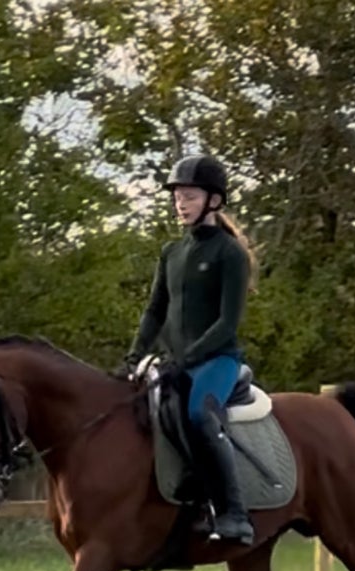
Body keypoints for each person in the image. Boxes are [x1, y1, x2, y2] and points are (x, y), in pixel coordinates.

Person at [118, 154, 255, 545]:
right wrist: (135, 352)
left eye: (189, 196)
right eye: (178, 196)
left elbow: (227, 323)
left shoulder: (230, 253)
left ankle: (234, 515)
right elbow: (154, 310)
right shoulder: (171, 253)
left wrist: (187, 359)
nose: (181, 203)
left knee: (198, 413)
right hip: (176, 362)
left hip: (217, 361)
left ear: (214, 201)